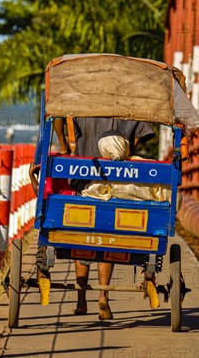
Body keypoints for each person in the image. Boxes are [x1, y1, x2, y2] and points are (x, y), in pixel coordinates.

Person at [54, 116, 155, 319]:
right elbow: (142, 133)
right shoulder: (130, 106)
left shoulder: (82, 100)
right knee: (108, 236)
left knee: (82, 236)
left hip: (82, 179)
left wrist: (64, 146)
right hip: (115, 183)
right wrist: (125, 153)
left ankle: (81, 301)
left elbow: (57, 117)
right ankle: (103, 296)